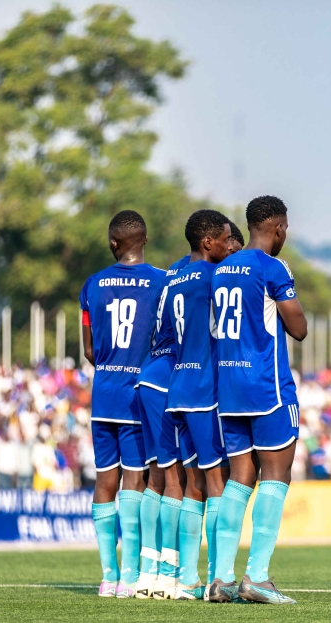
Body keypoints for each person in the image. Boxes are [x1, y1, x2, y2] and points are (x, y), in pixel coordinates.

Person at [209, 195, 308, 604]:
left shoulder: (220, 269)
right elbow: (298, 327)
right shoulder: (272, 266)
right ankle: (258, 577)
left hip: (228, 390)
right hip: (266, 386)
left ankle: (220, 579)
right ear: (279, 227)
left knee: (238, 480)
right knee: (276, 475)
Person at [80, 210, 164, 598]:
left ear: (113, 243)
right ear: (144, 240)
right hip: (138, 395)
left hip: (103, 395)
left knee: (104, 481)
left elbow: (87, 349)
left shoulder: (92, 284)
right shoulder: (162, 282)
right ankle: (130, 576)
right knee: (135, 480)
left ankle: (107, 576)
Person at [160, 209, 234, 600]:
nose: (229, 246)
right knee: (217, 481)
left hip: (179, 386)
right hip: (206, 388)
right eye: (225, 239)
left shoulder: (174, 278)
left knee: (193, 484)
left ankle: (186, 579)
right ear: (208, 242)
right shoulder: (213, 277)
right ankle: (218, 579)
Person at [133, 249, 190, 599]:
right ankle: (172, 576)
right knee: (181, 478)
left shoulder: (173, 274)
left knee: (156, 476)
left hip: (148, 376)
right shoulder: (207, 273)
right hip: (173, 378)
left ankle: (146, 574)